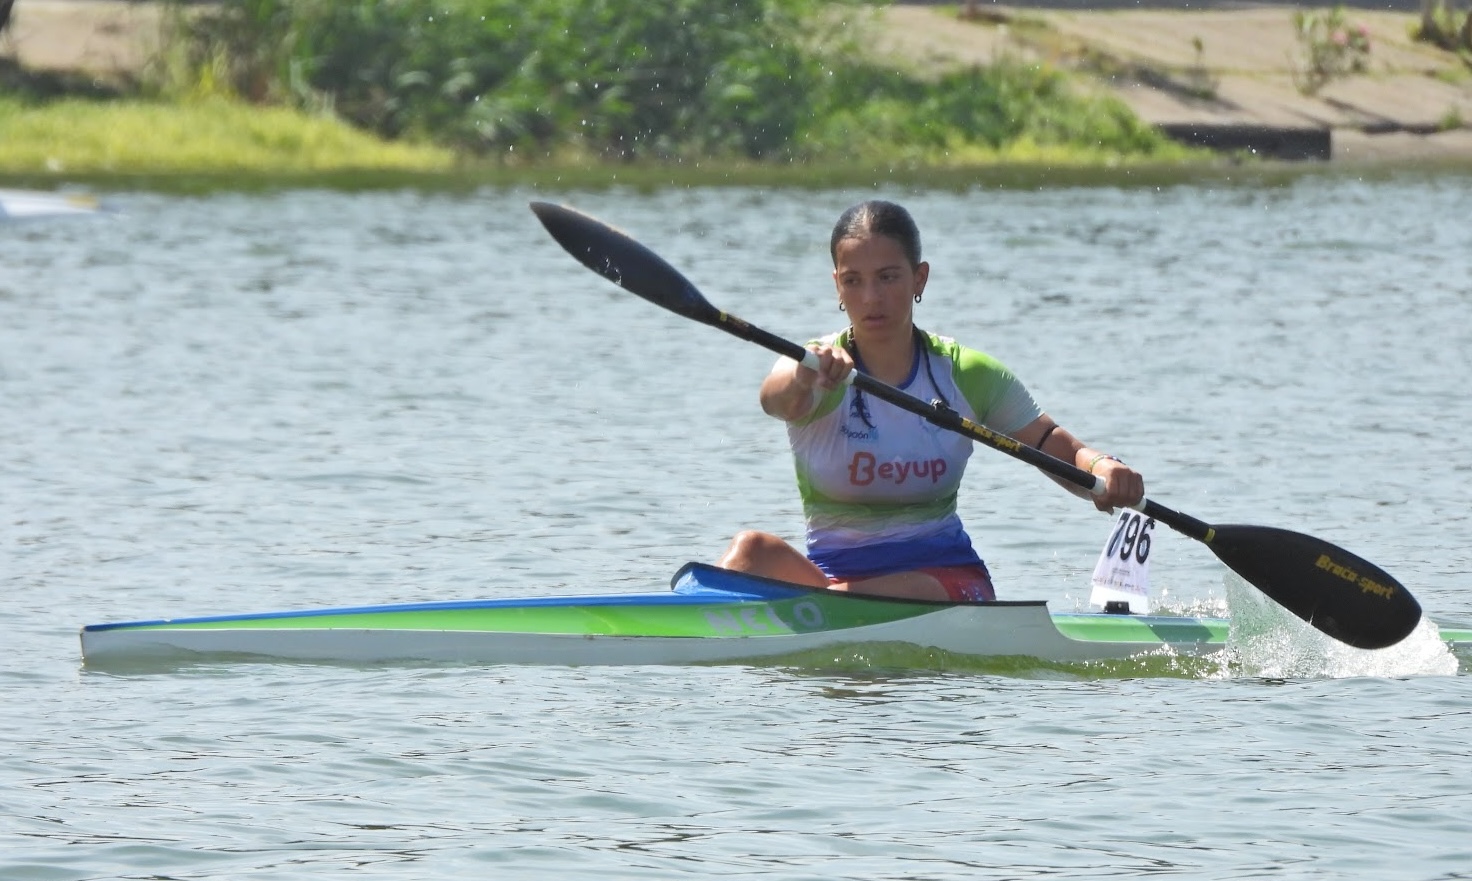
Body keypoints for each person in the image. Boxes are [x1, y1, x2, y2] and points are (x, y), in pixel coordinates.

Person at [717, 200, 1144, 602]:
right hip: (834, 581)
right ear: (837, 286)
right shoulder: (814, 366)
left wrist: (1101, 467)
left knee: (885, 592)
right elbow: (774, 400)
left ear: (919, 278)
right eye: (853, 281)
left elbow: (1048, 442)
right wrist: (803, 376)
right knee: (749, 551)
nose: (871, 298)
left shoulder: (963, 373)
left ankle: (810, 610)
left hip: (945, 583)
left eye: (888, 277)